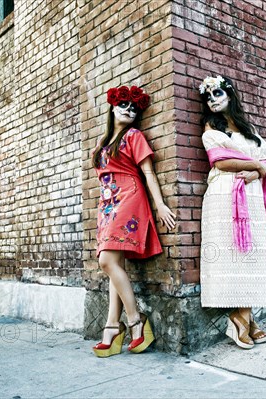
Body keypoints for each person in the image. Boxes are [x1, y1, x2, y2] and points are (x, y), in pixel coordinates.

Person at [198, 75, 266, 349]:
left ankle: (242, 316)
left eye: (217, 93)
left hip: (254, 196)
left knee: (252, 254)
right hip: (225, 194)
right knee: (235, 254)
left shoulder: (248, 130)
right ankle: (242, 319)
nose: (213, 100)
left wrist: (260, 167)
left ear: (230, 94)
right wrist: (258, 168)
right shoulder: (211, 127)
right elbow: (220, 161)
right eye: (208, 97)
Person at [91, 85, 176, 357]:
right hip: (107, 204)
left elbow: (148, 172)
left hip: (129, 197)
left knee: (106, 261)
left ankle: (135, 321)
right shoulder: (103, 142)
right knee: (114, 264)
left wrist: (159, 204)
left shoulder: (134, 136)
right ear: (112, 108)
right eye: (124, 105)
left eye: (133, 108)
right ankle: (112, 326)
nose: (129, 111)